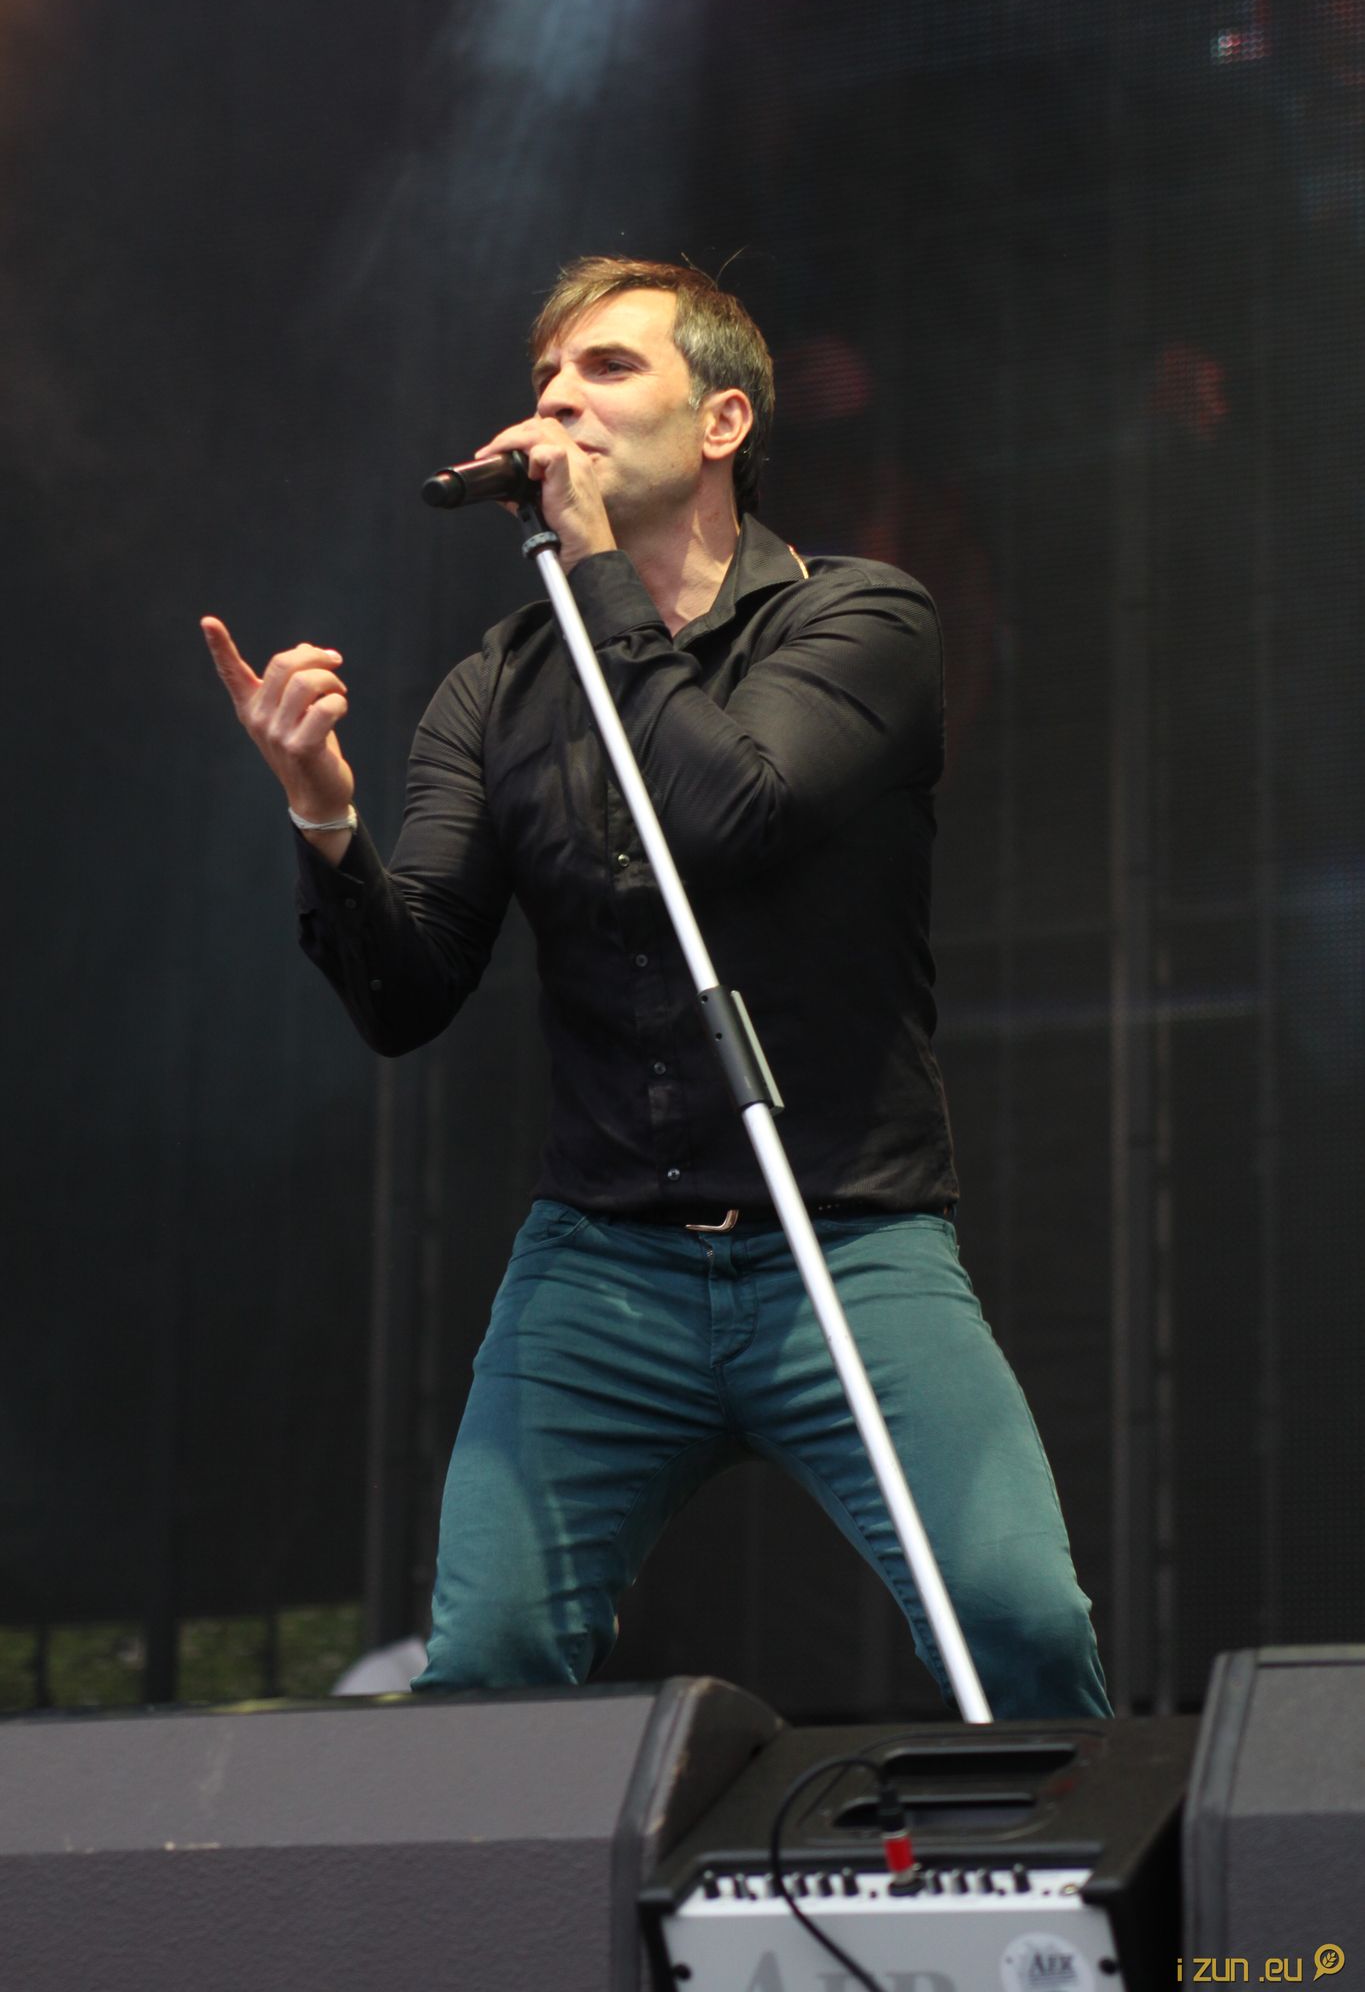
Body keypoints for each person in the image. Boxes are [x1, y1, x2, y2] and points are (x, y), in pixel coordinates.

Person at [202, 256, 1109, 1718]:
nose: (560, 400)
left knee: (1018, 1621)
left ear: (724, 423)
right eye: (546, 379)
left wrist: (591, 575)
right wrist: (323, 816)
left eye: (608, 369)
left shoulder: (861, 619)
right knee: (485, 1666)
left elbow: (732, 811)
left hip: (845, 1239)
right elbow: (406, 992)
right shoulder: (495, 689)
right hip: (602, 1263)